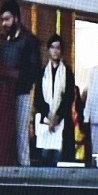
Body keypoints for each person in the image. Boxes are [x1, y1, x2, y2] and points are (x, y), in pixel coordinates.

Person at [0, 0, 41, 166]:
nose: (4, 23)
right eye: (2, 20)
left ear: (16, 18)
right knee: (5, 131)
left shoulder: (29, 40)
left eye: (7, 19)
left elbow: (35, 69)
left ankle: (24, 167)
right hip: (3, 95)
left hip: (22, 93)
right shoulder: (3, 41)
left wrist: (18, 78)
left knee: (21, 133)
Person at [34, 34, 75, 166]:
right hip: (46, 121)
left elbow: (69, 96)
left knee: (59, 160)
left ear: (61, 51)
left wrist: (57, 116)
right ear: (48, 50)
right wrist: (48, 115)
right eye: (53, 47)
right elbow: (38, 98)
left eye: (58, 48)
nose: (55, 51)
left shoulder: (67, 72)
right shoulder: (42, 72)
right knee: (45, 160)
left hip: (62, 121)